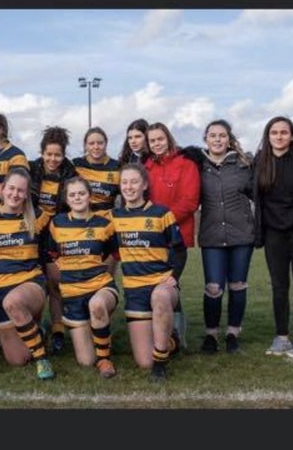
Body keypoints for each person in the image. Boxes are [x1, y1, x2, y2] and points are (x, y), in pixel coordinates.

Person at [0, 168, 55, 380]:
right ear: (3, 188)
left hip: (30, 284)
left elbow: (52, 252)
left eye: (21, 191)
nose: (15, 194)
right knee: (17, 359)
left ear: (26, 194)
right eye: (11, 188)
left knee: (13, 302)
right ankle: (39, 332)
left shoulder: (39, 218)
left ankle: (42, 359)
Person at [252, 116, 293, 359]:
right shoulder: (259, 162)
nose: (279, 136)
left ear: (292, 136)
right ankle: (282, 337)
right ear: (267, 136)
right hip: (273, 233)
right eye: (274, 132)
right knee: (279, 287)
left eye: (284, 132)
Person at [112, 163, 184, 382]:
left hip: (160, 283)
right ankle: (171, 339)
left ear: (144, 184)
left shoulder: (161, 213)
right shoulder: (113, 217)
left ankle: (161, 364)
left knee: (160, 297)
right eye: (124, 182)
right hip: (134, 290)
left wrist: (173, 277)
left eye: (134, 181)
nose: (129, 187)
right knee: (144, 361)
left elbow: (180, 250)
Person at [46, 177, 120, 377]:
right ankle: (96, 334)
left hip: (100, 287)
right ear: (67, 199)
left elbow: (115, 254)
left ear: (89, 196)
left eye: (81, 193)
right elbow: (52, 255)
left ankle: (105, 358)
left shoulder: (104, 224)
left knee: (97, 305)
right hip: (72, 294)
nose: (77, 197)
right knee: (86, 361)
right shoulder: (57, 223)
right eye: (72, 194)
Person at [195, 120, 256, 355]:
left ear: (229, 139)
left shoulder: (243, 165)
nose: (218, 139)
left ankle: (233, 333)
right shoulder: (198, 165)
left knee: (238, 285)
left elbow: (257, 195)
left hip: (241, 235)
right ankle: (211, 335)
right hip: (211, 236)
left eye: (222, 135)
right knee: (213, 287)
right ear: (206, 139)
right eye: (213, 135)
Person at [143, 122, 198, 347]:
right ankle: (155, 332)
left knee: (170, 284)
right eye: (152, 141)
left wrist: (161, 222)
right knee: (153, 286)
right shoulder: (146, 167)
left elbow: (190, 201)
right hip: (151, 239)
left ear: (168, 139)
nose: (157, 144)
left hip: (176, 238)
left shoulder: (185, 164)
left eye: (160, 139)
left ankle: (176, 335)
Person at [29, 125, 76, 353]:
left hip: (56, 235)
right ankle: (34, 329)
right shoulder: (31, 169)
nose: (53, 159)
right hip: (32, 233)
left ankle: (58, 330)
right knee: (35, 283)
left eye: (57, 155)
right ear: (42, 153)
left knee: (56, 284)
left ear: (64, 155)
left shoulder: (70, 173)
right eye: (49, 154)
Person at [72, 127, 122, 216]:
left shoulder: (117, 167)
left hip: (106, 221)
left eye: (100, 143)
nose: (96, 147)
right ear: (85, 145)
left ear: (106, 144)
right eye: (91, 143)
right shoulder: (76, 164)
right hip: (80, 218)